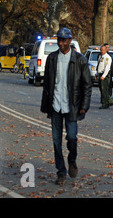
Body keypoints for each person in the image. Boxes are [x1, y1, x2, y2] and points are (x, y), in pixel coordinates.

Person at [40, 27, 92, 185]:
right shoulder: (52, 59)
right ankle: (61, 172)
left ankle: (72, 160)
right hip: (55, 105)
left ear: (70, 41)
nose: (61, 43)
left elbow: (87, 85)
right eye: (59, 40)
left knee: (72, 138)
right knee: (56, 141)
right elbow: (47, 85)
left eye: (64, 40)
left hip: (72, 106)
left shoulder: (80, 60)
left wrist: (84, 105)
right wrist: (46, 106)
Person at [96, 45, 113, 109]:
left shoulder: (107, 57)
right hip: (100, 74)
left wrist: (103, 76)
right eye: (101, 50)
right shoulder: (100, 56)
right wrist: (97, 74)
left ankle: (105, 103)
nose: (101, 51)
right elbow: (99, 66)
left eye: (103, 50)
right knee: (101, 89)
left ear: (106, 50)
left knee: (104, 90)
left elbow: (107, 68)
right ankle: (108, 101)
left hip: (105, 76)